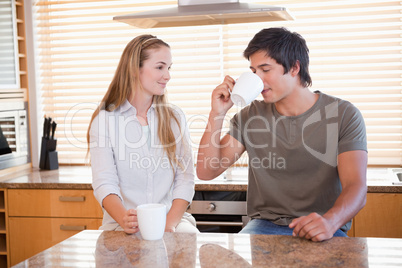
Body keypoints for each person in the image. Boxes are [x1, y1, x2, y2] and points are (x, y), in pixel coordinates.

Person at [197, 27, 367, 242]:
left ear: (294, 68)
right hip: (264, 226)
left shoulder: (343, 114)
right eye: (253, 71)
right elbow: (206, 171)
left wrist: (330, 222)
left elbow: (356, 186)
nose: (258, 80)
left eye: (265, 70)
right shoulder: (251, 115)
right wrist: (217, 113)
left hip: (324, 225)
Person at [87, 34, 199, 234]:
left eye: (169, 67)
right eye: (160, 67)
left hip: (171, 221)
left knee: (187, 243)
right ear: (134, 69)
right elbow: (104, 182)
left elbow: (186, 177)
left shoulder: (174, 118)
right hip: (121, 224)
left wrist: (169, 223)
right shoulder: (105, 121)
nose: (168, 75)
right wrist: (124, 218)